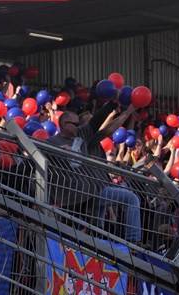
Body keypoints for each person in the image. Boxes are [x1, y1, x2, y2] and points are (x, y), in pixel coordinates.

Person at [45, 104, 142, 244]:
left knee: (95, 230)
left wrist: (120, 107)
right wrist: (59, 150)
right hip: (73, 195)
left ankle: (130, 242)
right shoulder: (53, 142)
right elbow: (36, 151)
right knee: (130, 199)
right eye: (77, 124)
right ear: (65, 125)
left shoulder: (83, 135)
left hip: (93, 189)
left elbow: (105, 126)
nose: (79, 127)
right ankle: (133, 241)